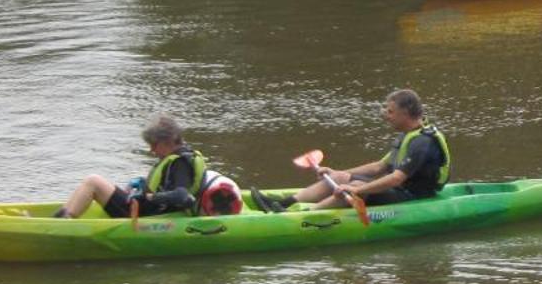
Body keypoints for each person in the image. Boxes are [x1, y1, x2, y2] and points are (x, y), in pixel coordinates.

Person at [261, 89, 450, 212]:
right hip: (397, 189)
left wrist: (357, 189)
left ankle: (305, 215)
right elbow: (380, 167)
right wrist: (340, 173)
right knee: (340, 178)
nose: (386, 116)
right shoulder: (407, 134)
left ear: (406, 113)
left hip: (412, 196)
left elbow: (396, 178)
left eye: (390, 111)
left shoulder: (422, 143)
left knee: (355, 190)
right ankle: (284, 203)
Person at [55, 113, 239, 218]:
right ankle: (60, 220)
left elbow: (183, 197)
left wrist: (149, 197)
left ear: (168, 141)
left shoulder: (181, 163)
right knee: (92, 182)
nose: (151, 150)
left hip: (146, 215)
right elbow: (167, 186)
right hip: (145, 208)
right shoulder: (175, 157)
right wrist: (143, 184)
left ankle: (60, 225)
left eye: (154, 145)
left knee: (93, 182)